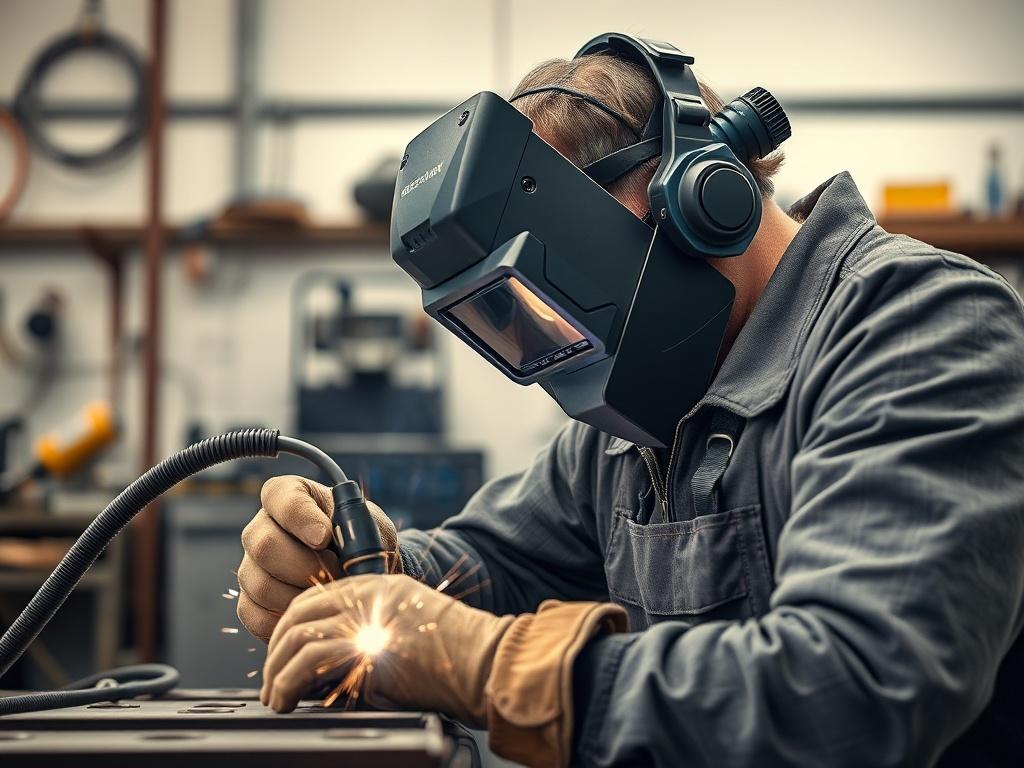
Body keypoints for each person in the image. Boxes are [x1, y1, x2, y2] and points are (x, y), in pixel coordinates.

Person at [236, 49, 1024, 767]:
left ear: (694, 199)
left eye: (551, 308)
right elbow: (501, 565)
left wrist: (491, 665)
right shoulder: (647, 402)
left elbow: (855, 690)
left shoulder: (921, 330)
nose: (554, 355)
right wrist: (366, 568)